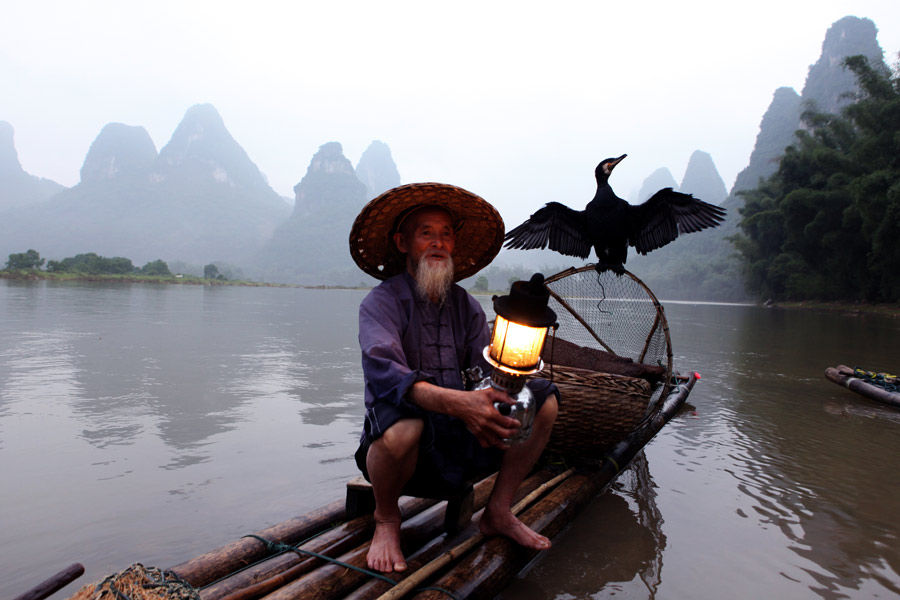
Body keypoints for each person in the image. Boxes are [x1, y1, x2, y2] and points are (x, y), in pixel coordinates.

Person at [348, 182, 559, 574]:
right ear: (402, 243)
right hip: (406, 458)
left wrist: (504, 386)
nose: (438, 243)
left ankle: (498, 511)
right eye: (426, 233)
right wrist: (461, 404)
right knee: (402, 423)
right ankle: (387, 519)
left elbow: (485, 376)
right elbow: (386, 375)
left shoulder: (466, 306)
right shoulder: (380, 304)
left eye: (446, 234)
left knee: (543, 398)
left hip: (463, 446)